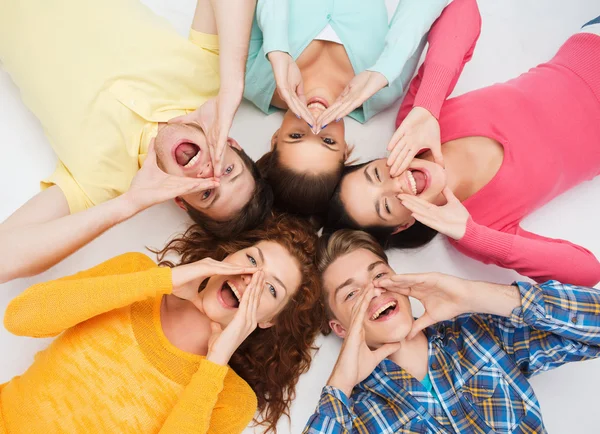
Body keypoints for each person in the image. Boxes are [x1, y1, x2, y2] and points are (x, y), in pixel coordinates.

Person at [325, 2, 600, 286]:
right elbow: (588, 271)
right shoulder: (477, 229)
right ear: (402, 225)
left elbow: (461, 7)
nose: (396, 183)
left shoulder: (413, 124)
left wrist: (428, 106)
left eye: (378, 174)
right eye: (386, 205)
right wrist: (472, 235)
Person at [0, 0, 273, 284]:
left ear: (180, 200)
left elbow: (3, 258)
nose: (210, 175)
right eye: (228, 170)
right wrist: (231, 87)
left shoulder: (101, 184)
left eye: (206, 193)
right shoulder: (209, 78)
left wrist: (128, 204)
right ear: (231, 142)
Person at [1, 213, 323, 433]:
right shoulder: (136, 273)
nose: (250, 279)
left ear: (268, 320)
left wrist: (213, 366)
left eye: (270, 288)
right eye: (252, 260)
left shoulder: (231, 398)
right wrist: (160, 281)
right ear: (227, 257)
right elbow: (20, 317)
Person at [304, 229, 600, 433]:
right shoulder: (355, 417)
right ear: (340, 328)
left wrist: (471, 293)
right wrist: (340, 384)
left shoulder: (480, 333)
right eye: (351, 294)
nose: (373, 292)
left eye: (380, 275)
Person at [245, 0, 451, 215]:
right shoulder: (383, 90)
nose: (314, 122)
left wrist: (276, 47)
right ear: (344, 149)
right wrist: (388, 65)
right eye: (328, 140)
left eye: (296, 135)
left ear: (276, 137)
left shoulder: (254, 80)